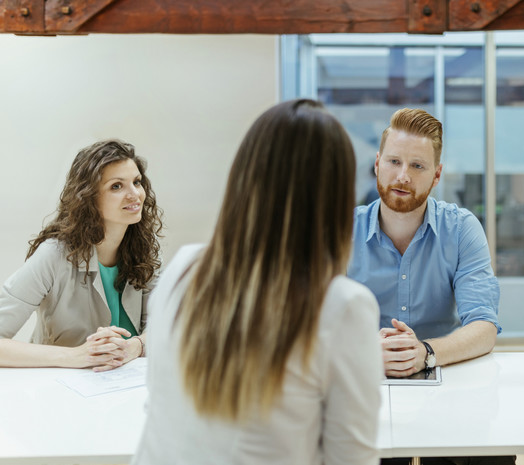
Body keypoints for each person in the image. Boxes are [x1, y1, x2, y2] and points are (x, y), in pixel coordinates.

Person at [133, 99, 383, 465]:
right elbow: (353, 460)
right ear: (335, 197)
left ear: (244, 178)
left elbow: (157, 402)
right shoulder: (342, 305)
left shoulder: (184, 267)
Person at [349, 108, 512, 465]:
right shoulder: (340, 230)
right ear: (377, 164)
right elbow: (306, 324)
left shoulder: (461, 228)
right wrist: (360, 350)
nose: (403, 176)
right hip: (365, 387)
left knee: (491, 453)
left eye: (418, 166)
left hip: (448, 382)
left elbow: (484, 328)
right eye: (394, 161)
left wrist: (424, 352)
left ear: (437, 175)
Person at [0, 139, 162, 371]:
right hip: (62, 390)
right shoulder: (53, 255)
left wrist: (135, 346)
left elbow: (165, 325)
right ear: (88, 197)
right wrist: (74, 356)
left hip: (126, 386)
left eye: (136, 182)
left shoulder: (145, 246)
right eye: (117, 186)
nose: (134, 194)